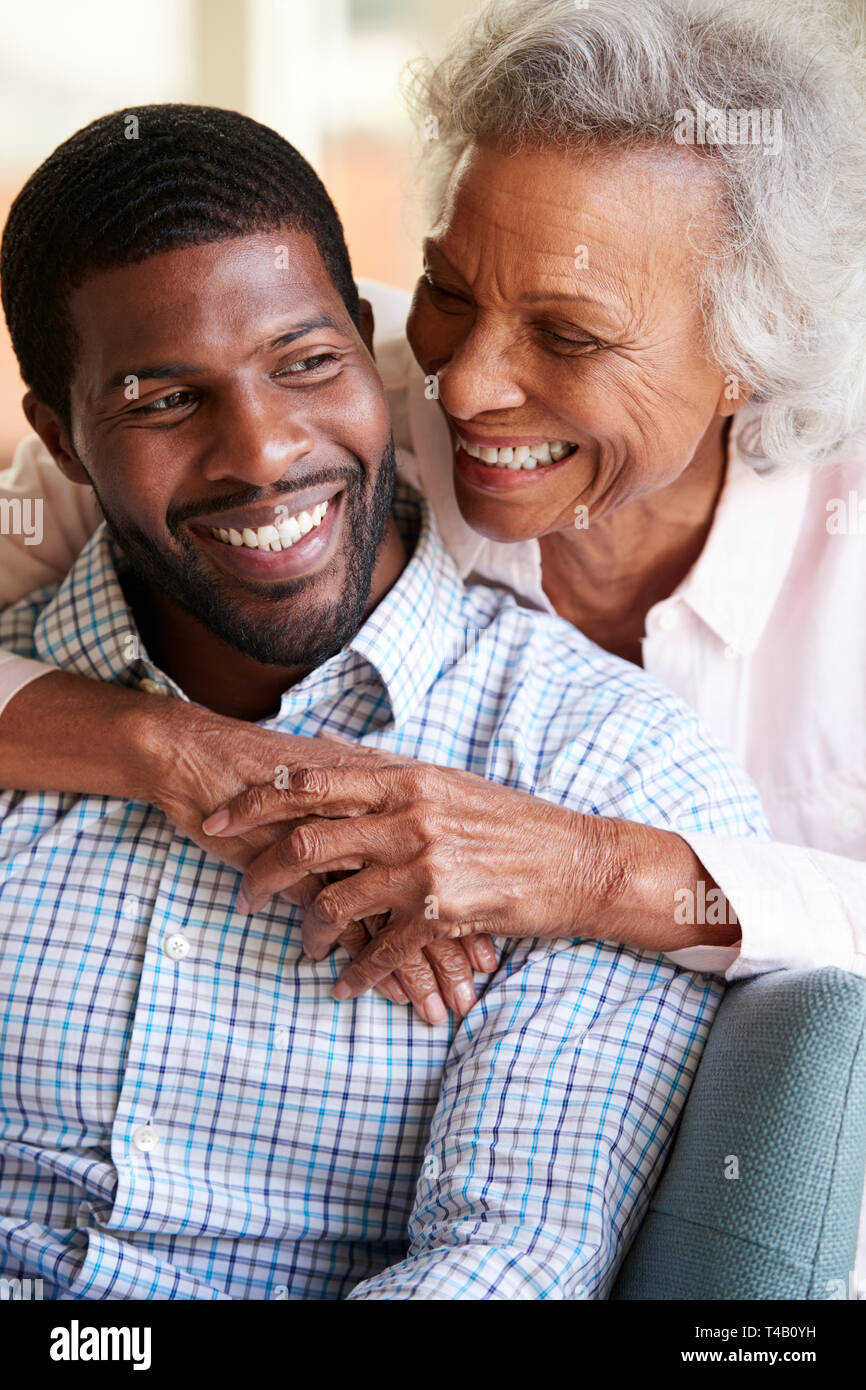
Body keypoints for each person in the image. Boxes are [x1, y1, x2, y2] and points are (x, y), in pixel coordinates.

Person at [1, 0, 865, 1288]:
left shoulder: (709, 679)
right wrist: (181, 750)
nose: (460, 386)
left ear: (755, 348)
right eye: (452, 294)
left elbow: (514, 1252)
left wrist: (590, 868)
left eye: (568, 335)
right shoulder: (309, 373)